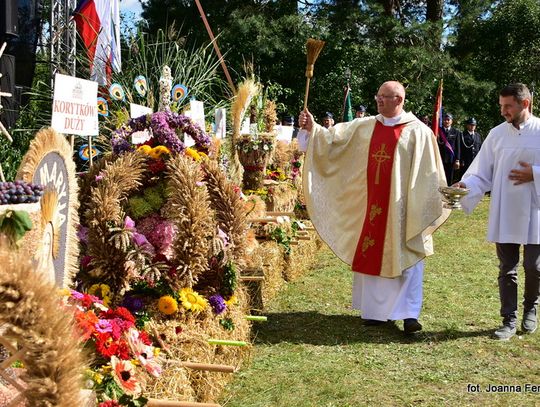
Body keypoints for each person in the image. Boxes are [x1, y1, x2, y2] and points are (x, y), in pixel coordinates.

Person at [298, 81, 449, 334]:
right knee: (373, 249)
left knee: (409, 254)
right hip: (373, 206)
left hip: (404, 208)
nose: (378, 101)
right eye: (378, 96)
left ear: (399, 100)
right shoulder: (367, 125)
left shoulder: (419, 132)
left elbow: (428, 173)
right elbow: (334, 139)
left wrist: (422, 203)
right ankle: (377, 313)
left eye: (384, 97)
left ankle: (410, 314)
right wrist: (313, 127)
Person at [454, 83, 540, 341]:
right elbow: (482, 171)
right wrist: (465, 185)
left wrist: (534, 174)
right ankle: (509, 319)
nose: (503, 111)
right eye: (501, 106)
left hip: (536, 209)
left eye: (508, 106)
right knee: (507, 267)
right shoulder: (497, 134)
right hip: (506, 208)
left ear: (524, 104)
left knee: (534, 266)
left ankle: (531, 309)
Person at [438, 113, 461, 185]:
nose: (446, 121)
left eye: (448, 120)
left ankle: (448, 193)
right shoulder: (438, 131)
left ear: (451, 121)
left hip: (451, 159)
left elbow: (458, 146)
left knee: (450, 177)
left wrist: (457, 160)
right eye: (445, 120)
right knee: (440, 176)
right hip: (440, 158)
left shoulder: (456, 132)